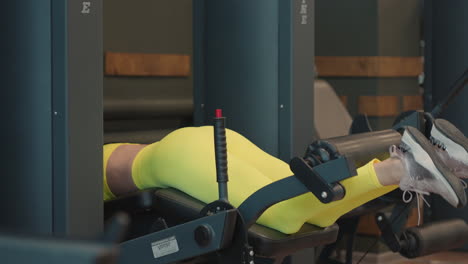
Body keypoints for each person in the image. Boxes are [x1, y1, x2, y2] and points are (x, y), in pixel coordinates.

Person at [103, 118, 468, 234]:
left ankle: (403, 166)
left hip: (174, 159)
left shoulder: (55, 173)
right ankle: (412, 165)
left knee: (278, 217)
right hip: (199, 144)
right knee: (319, 213)